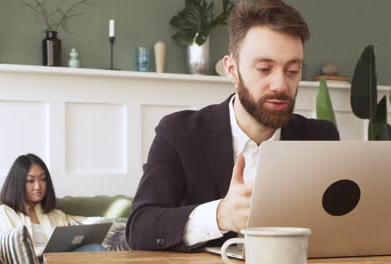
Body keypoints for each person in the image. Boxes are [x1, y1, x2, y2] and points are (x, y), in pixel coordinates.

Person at [126, 0, 340, 252]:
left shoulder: (319, 137)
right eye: (264, 69)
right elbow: (140, 229)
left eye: (292, 71)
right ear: (232, 70)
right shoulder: (179, 132)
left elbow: (341, 227)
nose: (281, 85)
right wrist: (219, 216)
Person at [0, 154, 105, 256]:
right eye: (30, 181)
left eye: (43, 179)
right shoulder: (0, 214)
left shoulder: (56, 215)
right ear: (17, 183)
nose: (38, 186)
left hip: (58, 261)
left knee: (95, 249)